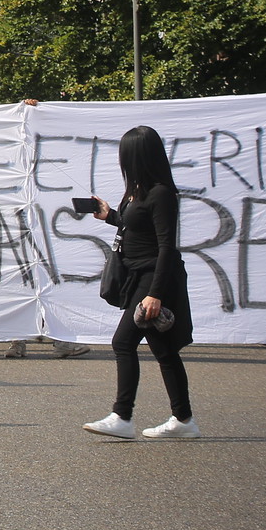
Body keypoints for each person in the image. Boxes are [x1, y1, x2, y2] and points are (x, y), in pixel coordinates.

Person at [82, 127, 199, 440]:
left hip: (153, 280)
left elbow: (167, 247)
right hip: (138, 277)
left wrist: (155, 295)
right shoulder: (137, 192)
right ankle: (184, 420)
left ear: (137, 157)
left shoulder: (161, 193)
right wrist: (110, 216)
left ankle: (122, 416)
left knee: (123, 343)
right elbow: (134, 228)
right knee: (164, 351)